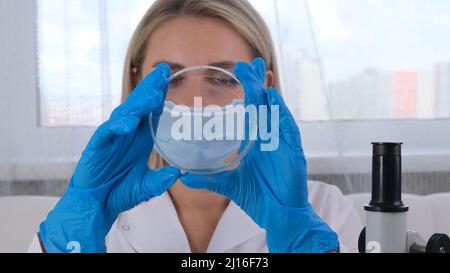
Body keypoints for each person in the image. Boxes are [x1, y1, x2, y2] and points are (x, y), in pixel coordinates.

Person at [28, 0, 362, 253]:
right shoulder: (92, 214)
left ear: (264, 90)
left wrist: (300, 240)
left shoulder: (323, 211)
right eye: (171, 78)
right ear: (136, 85)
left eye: (221, 77)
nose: (195, 100)